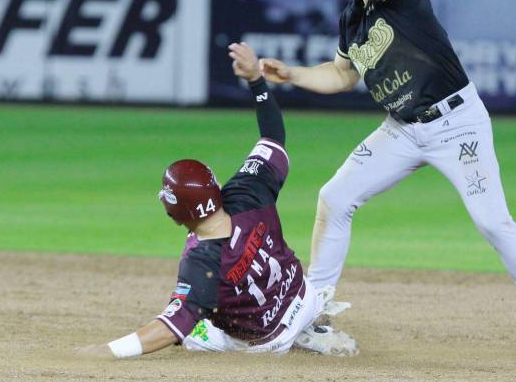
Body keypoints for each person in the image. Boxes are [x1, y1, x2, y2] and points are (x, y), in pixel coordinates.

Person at [255, 0, 516, 354]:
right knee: (335, 198)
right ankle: (313, 314)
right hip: (402, 129)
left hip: (456, 122)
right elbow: (341, 75)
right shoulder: (352, 18)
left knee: (492, 222)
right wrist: (292, 74)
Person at [76, 43, 357, 358]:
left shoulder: (201, 262)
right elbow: (273, 136)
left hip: (269, 341)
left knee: (194, 327)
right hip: (304, 298)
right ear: (215, 187)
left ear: (176, 215)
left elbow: (171, 327)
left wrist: (106, 351)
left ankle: (294, 337)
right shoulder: (248, 191)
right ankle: (311, 326)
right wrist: (256, 81)